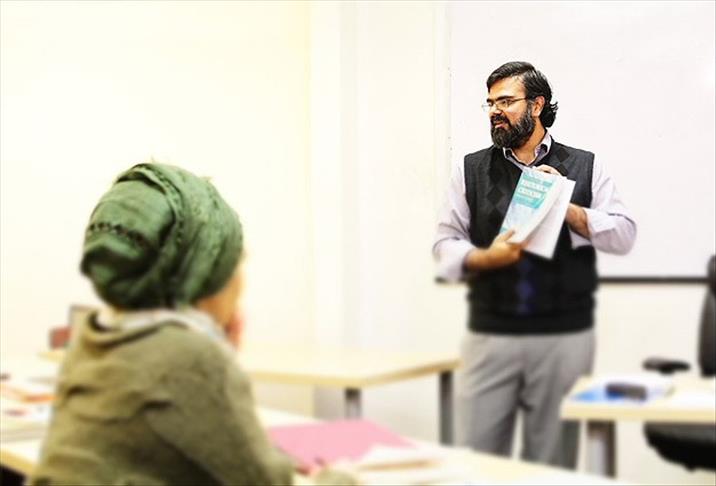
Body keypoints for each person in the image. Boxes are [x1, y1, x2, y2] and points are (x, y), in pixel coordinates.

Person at [30, 163, 353, 485]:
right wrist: (342, 478)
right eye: (235, 261)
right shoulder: (190, 357)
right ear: (204, 274)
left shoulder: (94, 336)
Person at [433, 61, 637, 468]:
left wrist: (570, 209)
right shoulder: (470, 169)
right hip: (490, 334)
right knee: (476, 460)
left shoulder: (585, 165)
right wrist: (483, 257)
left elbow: (623, 234)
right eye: (491, 103)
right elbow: (444, 242)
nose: (495, 111)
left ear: (537, 105)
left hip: (563, 337)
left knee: (551, 464)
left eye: (506, 101)